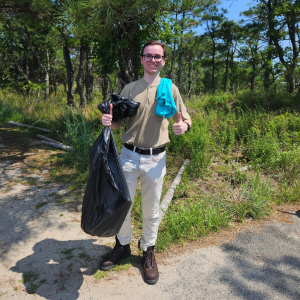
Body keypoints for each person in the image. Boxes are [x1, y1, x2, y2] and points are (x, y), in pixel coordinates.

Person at [100, 40, 192, 285]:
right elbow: (120, 122)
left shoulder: (170, 88)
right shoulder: (130, 88)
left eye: (158, 57)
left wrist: (184, 125)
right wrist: (110, 120)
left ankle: (148, 251)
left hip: (156, 158)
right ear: (141, 59)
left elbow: (184, 116)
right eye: (148, 56)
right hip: (128, 156)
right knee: (123, 206)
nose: (153, 60)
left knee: (151, 209)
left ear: (163, 60)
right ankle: (122, 246)